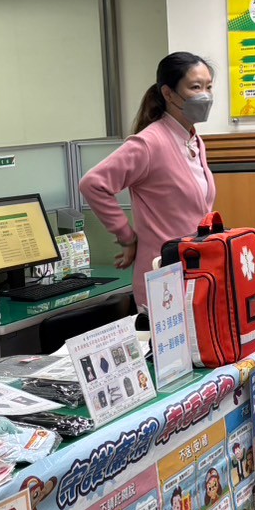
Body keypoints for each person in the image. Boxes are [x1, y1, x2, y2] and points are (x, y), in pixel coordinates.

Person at [79, 52, 217, 316]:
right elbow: (93, 184)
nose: (205, 95)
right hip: (163, 277)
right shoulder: (149, 142)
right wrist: (126, 236)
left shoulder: (193, 140)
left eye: (209, 87)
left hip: (195, 271)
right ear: (168, 93)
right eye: (195, 87)